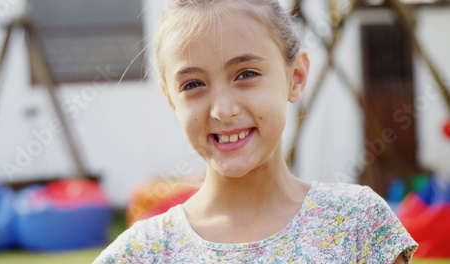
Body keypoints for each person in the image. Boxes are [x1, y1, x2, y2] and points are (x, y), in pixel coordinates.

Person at [93, 0, 418, 263]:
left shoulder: (357, 225)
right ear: (171, 100)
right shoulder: (143, 253)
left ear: (296, 77)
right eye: (193, 84)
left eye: (245, 73)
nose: (223, 109)